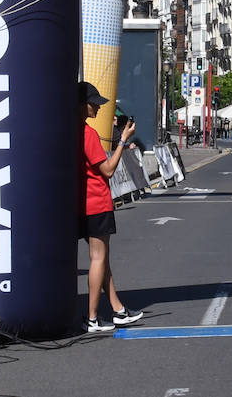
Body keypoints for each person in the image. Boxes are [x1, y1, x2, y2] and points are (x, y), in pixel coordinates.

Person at [78, 81, 144, 333]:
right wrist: (122, 142)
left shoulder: (70, 131)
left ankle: (117, 309)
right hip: (96, 201)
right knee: (98, 258)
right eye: (93, 102)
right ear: (81, 105)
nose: (97, 107)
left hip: (81, 202)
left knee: (101, 258)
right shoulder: (88, 134)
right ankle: (92, 317)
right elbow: (106, 170)